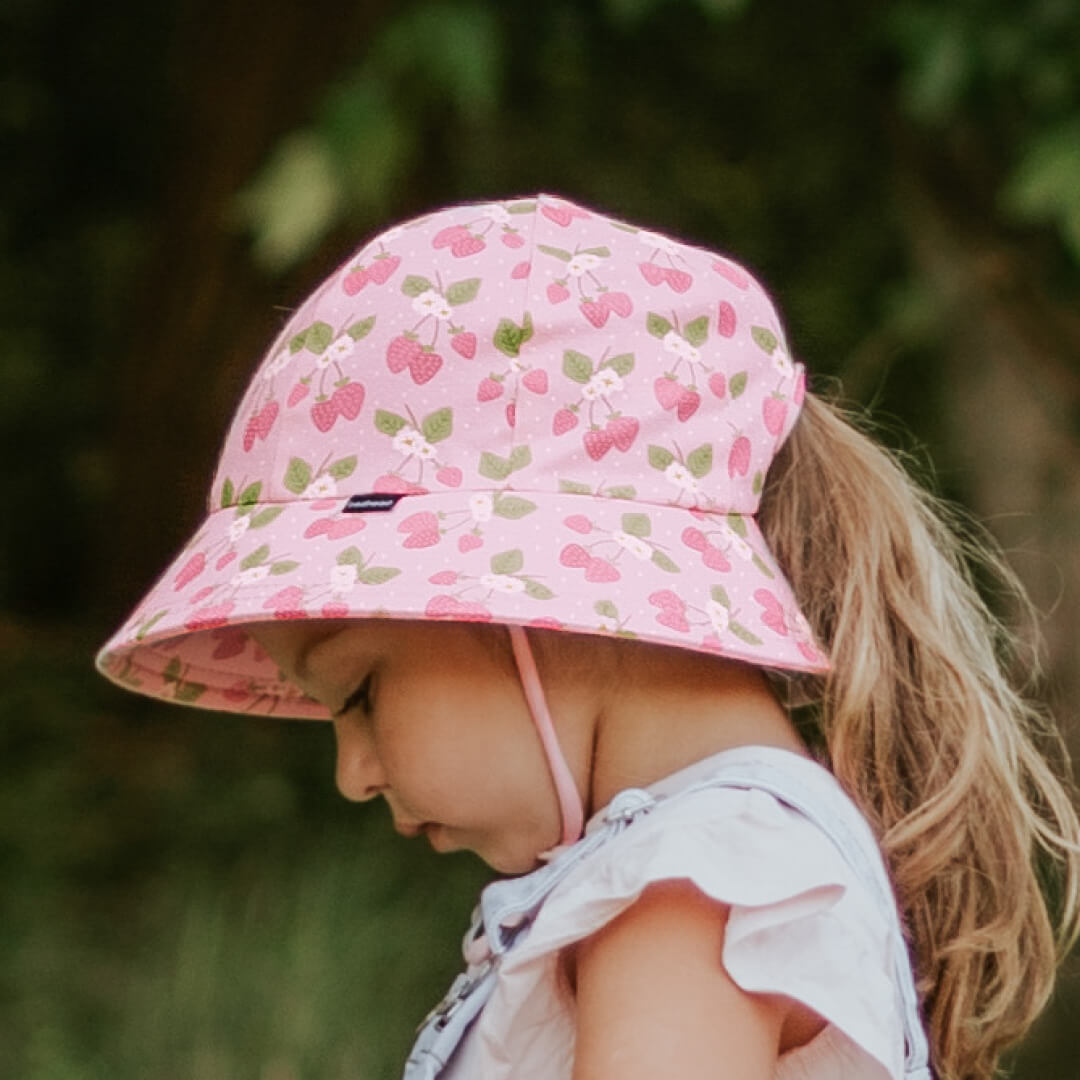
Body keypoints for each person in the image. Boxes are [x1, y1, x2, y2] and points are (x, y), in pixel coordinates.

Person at [97, 194, 1080, 1080]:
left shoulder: (694, 885)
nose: (353, 772)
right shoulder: (700, 865)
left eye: (357, 695)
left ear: (525, 599)